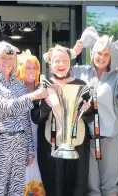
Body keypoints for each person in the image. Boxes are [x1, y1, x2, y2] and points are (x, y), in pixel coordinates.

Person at [72, 26, 118, 196]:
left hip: (110, 139)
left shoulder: (117, 77)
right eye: (98, 53)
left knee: (109, 187)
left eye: (106, 54)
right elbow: (57, 69)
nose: (101, 57)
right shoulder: (81, 72)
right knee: (92, 187)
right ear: (92, 53)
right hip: (87, 139)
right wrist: (72, 53)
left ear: (111, 57)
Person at [0, 41, 48, 196]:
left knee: (16, 190)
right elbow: (5, 108)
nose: (7, 61)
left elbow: (25, 118)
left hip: (20, 143)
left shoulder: (19, 85)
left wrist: (30, 150)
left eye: (10, 58)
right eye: (2, 57)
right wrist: (33, 96)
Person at [31, 44, 93, 196]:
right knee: (54, 187)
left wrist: (86, 110)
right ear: (50, 64)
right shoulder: (42, 85)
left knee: (77, 187)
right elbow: (35, 117)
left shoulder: (81, 84)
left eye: (64, 60)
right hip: (50, 145)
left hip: (77, 144)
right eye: (56, 61)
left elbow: (91, 117)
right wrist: (47, 103)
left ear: (70, 63)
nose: (61, 64)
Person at [17, 49, 45, 196]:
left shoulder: (42, 88)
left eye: (35, 67)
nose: (32, 70)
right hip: (21, 142)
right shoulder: (16, 90)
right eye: (28, 67)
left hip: (40, 139)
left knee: (39, 174)